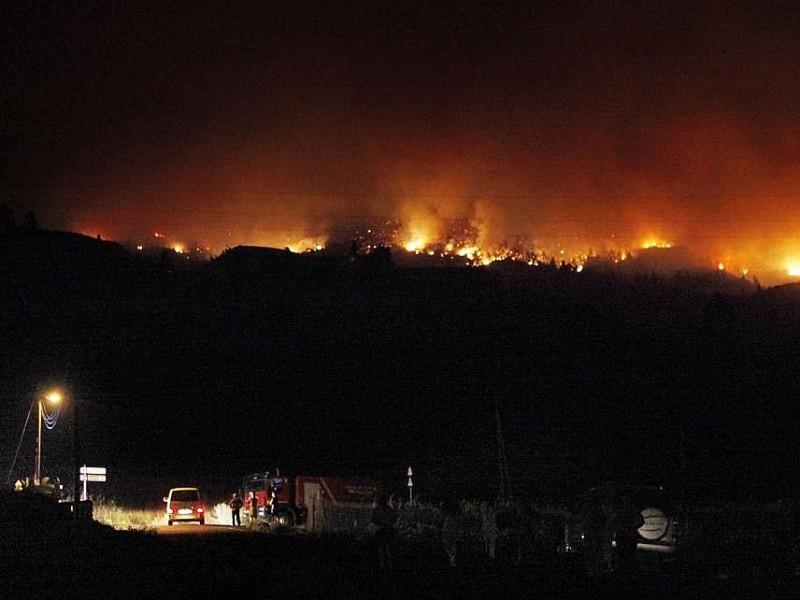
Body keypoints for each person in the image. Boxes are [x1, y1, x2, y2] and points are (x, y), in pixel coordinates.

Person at [371, 493, 398, 569]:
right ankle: (388, 563)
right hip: (387, 529)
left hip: (382, 530)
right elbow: (394, 519)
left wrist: (380, 523)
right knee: (388, 548)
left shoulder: (378, 510)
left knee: (382, 548)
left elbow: (373, 519)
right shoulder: (389, 510)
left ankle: (383, 563)